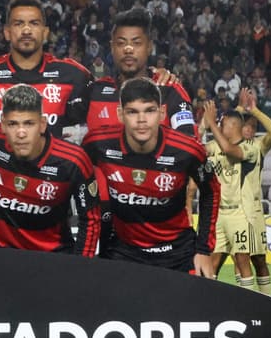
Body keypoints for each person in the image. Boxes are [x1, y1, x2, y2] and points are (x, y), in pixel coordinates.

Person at [82, 78, 219, 275]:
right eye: (132, 112)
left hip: (178, 252)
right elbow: (73, 177)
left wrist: (204, 250)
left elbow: (212, 191)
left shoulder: (187, 150)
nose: (141, 120)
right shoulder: (97, 143)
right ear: (120, 114)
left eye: (149, 110)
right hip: (124, 251)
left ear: (162, 113)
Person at [0, 84, 100, 255]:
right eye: (13, 124)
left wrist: (81, 267)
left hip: (51, 255)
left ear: (42, 124)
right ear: (2, 125)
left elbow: (90, 219)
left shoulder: (73, 160)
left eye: (29, 123)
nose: (21, 133)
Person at [0, 0, 93, 141]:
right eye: (19, 23)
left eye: (34, 23)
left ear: (45, 32)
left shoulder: (73, 75)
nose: (26, 30)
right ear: (6, 32)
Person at [85, 8, 195, 136]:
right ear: (112, 48)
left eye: (136, 43)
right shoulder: (94, 92)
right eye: (121, 43)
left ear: (149, 47)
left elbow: (189, 145)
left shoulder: (170, 90)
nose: (128, 49)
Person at [201, 101, 256, 289]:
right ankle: (209, 302)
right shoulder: (214, 145)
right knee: (212, 262)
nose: (219, 126)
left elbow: (229, 150)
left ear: (232, 126)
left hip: (239, 213)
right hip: (219, 215)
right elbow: (194, 147)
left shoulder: (250, 148)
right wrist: (203, 124)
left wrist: (212, 124)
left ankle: (248, 304)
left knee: (242, 261)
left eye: (223, 124)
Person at [234, 88, 271, 295]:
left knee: (259, 259)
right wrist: (240, 108)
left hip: (254, 211)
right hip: (232, 210)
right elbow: (222, 127)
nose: (250, 129)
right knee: (238, 257)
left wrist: (256, 110)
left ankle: (267, 300)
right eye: (246, 126)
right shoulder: (227, 145)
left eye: (253, 127)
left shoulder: (259, 146)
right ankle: (243, 300)